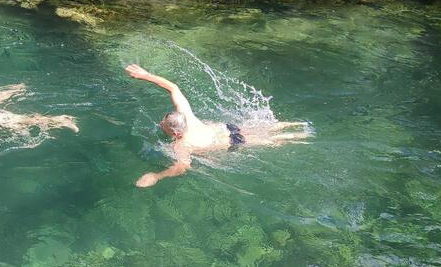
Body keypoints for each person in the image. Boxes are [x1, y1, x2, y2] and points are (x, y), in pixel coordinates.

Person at [126, 64, 310, 187]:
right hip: (228, 128)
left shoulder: (181, 145)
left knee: (273, 141)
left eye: (164, 125)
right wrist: (146, 75)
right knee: (269, 128)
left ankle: (300, 136)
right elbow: (173, 87)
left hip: (234, 142)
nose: (160, 124)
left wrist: (157, 176)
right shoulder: (187, 116)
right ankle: (296, 124)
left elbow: (182, 167)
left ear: (176, 134)